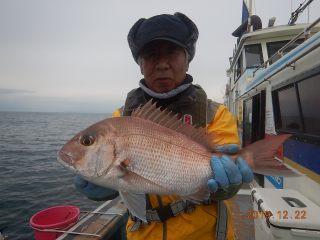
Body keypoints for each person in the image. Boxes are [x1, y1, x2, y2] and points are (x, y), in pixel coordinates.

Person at [74, 12, 254, 240]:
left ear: (188, 61)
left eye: (172, 53)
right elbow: (123, 184)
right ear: (140, 65)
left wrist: (227, 187)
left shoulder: (215, 114)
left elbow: (228, 188)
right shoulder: (121, 118)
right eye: (150, 55)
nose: (161, 64)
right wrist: (100, 190)